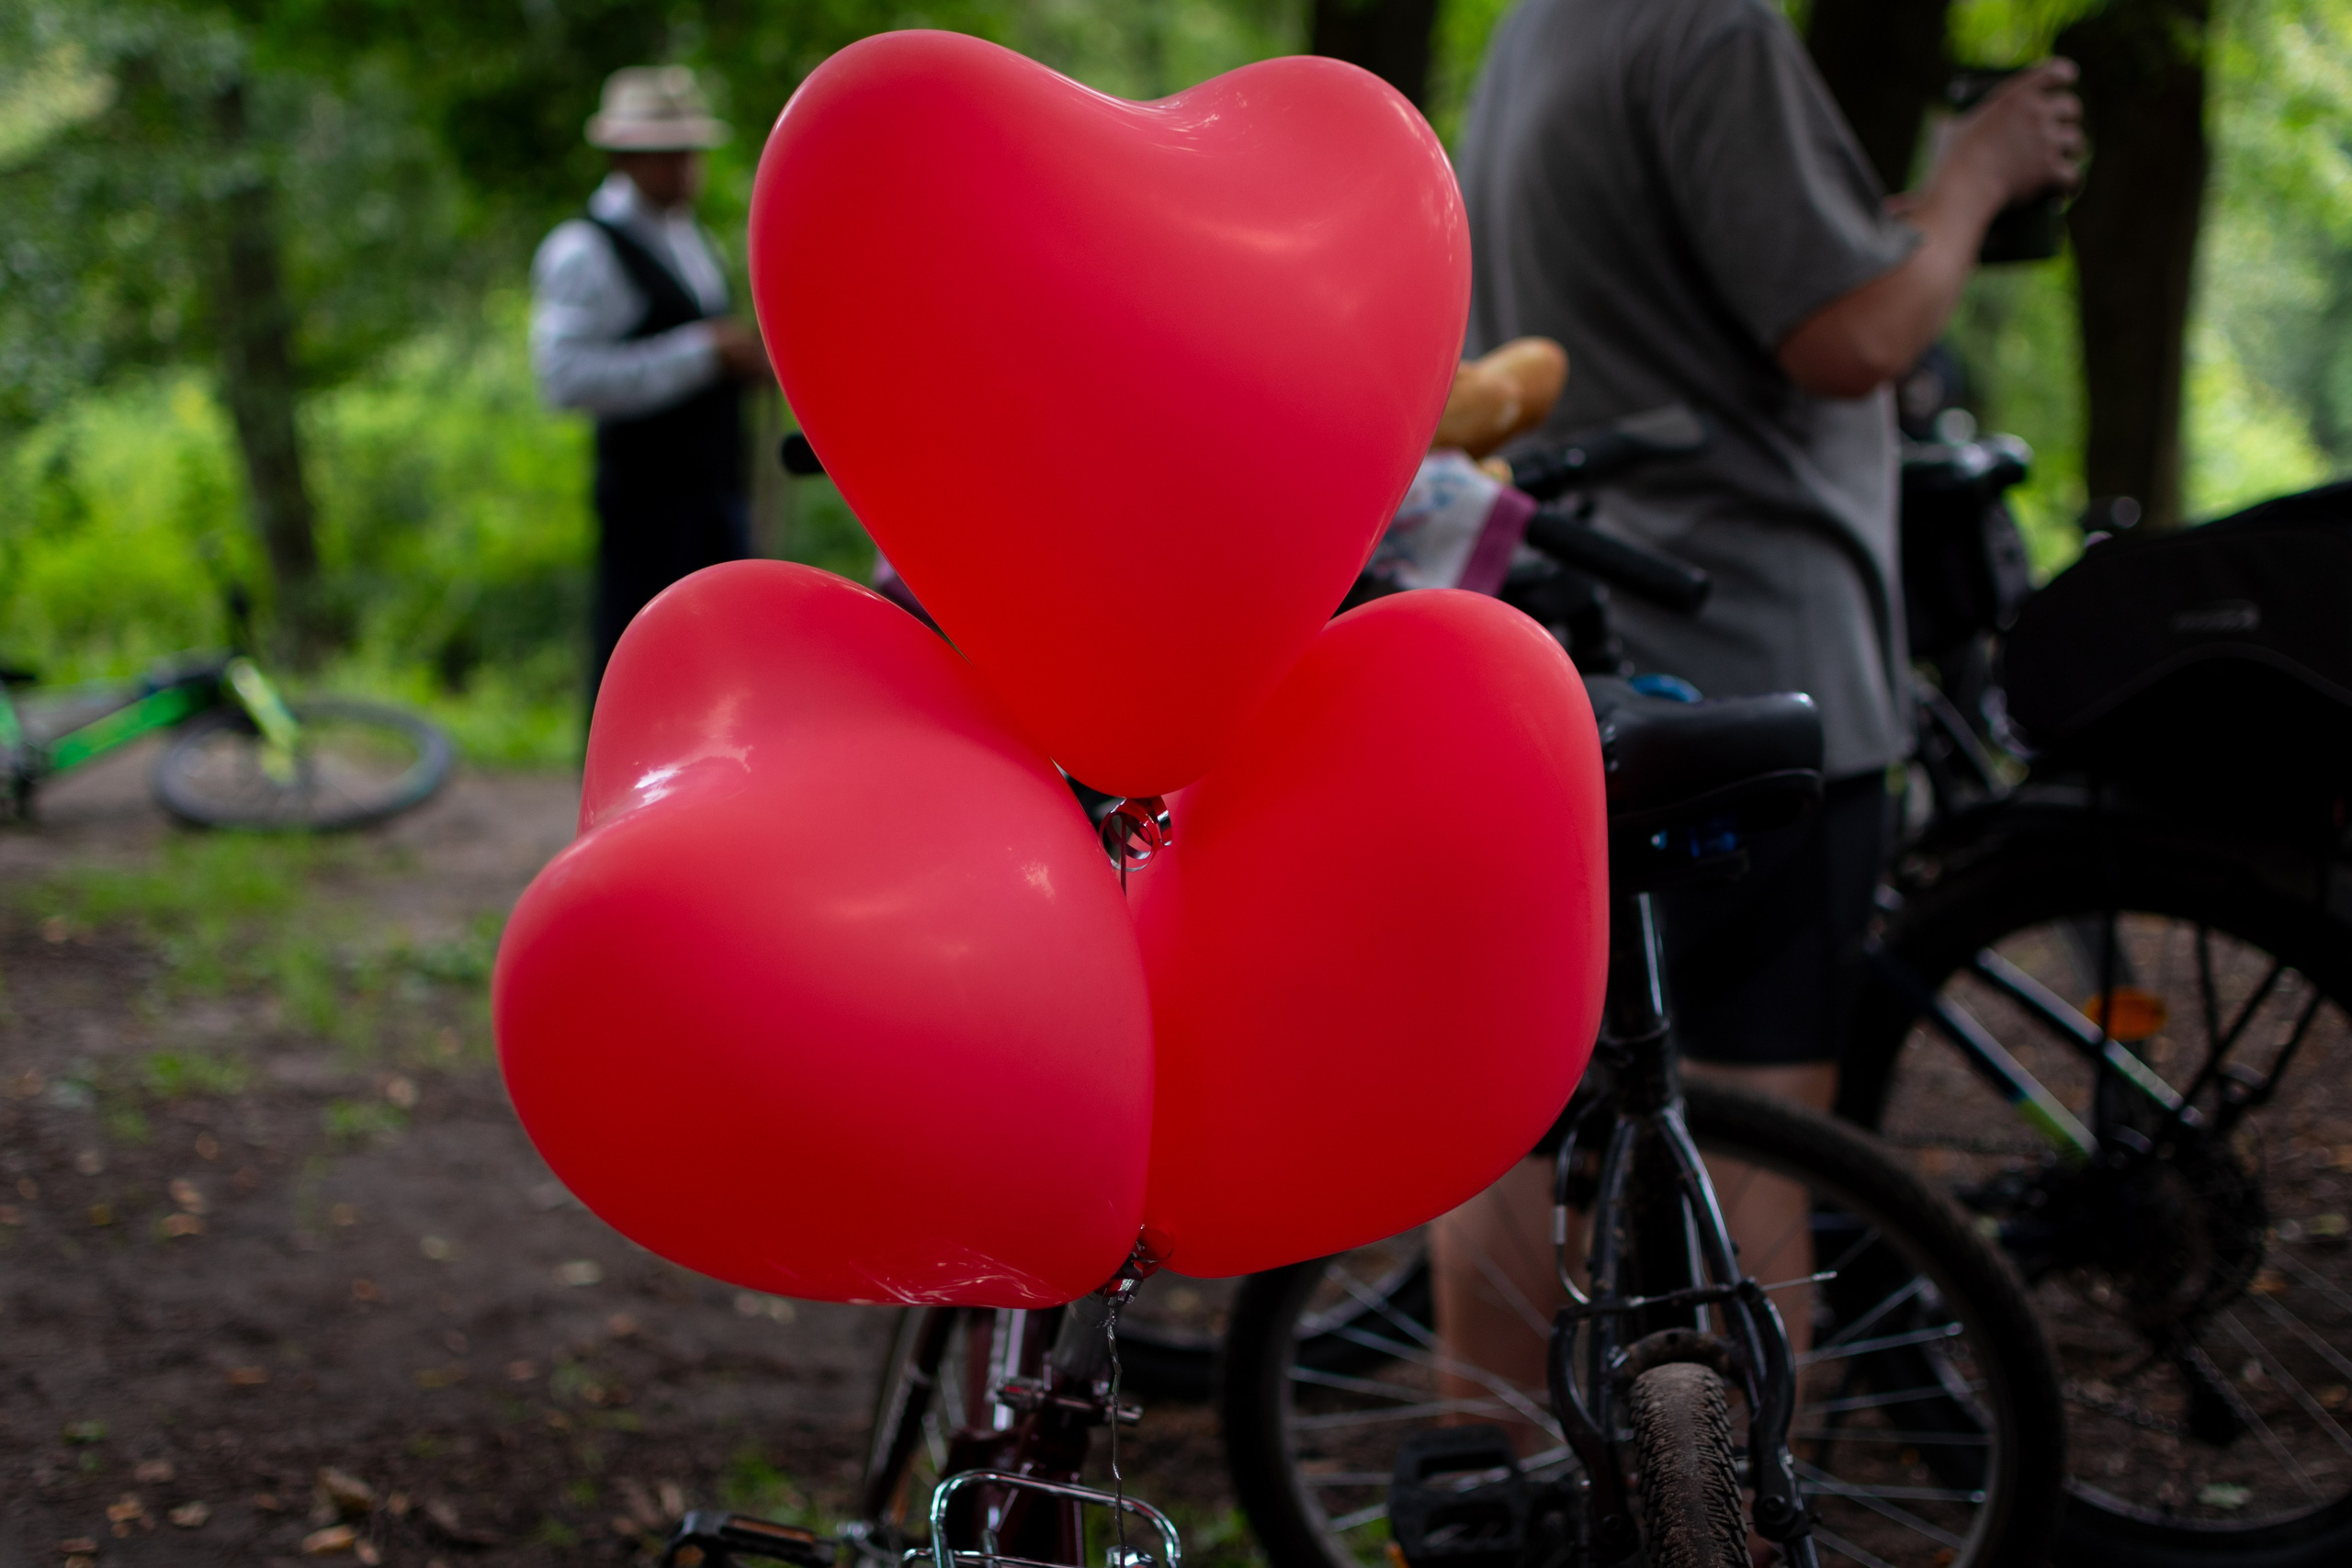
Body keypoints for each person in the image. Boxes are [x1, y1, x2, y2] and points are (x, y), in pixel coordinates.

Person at [1433, 0, 2081, 1428]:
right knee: (1753, 1129)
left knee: (1519, 1124)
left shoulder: (1548, 30)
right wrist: (1977, 177)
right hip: (1757, 666)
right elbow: (1849, 337)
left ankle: (1486, 1491)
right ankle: (1754, 1502)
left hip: (1572, 662)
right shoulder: (1711, 27)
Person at [530, 66, 776, 711]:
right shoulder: (584, 251)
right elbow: (566, 379)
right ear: (624, 157)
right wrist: (702, 355)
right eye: (666, 155)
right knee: (638, 667)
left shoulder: (686, 237)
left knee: (715, 662)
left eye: (688, 152)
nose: (683, 169)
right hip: (646, 502)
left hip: (714, 493)